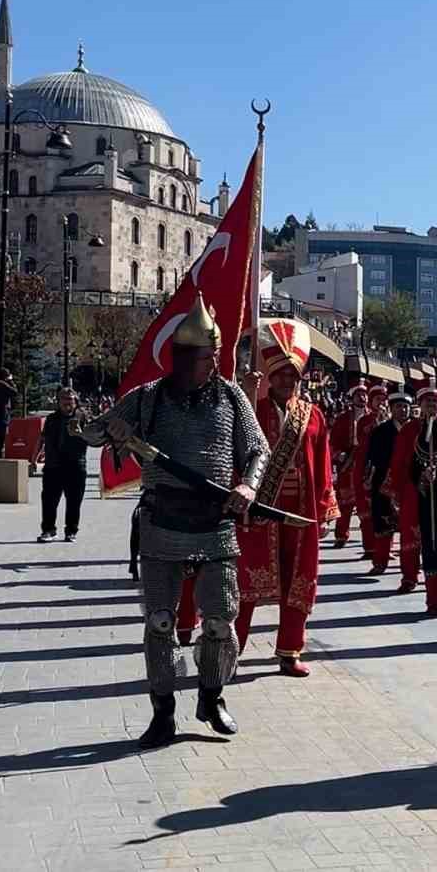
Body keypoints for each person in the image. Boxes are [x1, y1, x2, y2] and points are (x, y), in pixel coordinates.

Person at [82, 296, 269, 749]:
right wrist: (111, 430)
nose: (211, 365)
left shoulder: (231, 397)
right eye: (202, 357)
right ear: (181, 357)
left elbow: (258, 450)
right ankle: (162, 712)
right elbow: (89, 432)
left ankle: (211, 696)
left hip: (214, 521)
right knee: (161, 622)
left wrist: (248, 486)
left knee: (220, 620)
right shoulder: (148, 398)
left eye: (212, 356)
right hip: (162, 521)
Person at [234, 326, 338, 677]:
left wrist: (325, 511)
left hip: (301, 511)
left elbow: (323, 463)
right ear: (270, 378)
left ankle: (290, 650)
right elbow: (237, 456)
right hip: (259, 510)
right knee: (247, 582)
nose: (286, 381)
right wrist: (246, 394)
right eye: (280, 375)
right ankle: (229, 650)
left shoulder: (313, 415)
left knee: (299, 582)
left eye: (292, 375)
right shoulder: (253, 410)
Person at [390, 383, 437, 610]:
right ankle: (409, 576)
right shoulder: (409, 429)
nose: (431, 405)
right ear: (420, 404)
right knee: (411, 535)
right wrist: (399, 488)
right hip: (413, 490)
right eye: (427, 401)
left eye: (435, 401)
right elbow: (399, 461)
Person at [366, 388, 412, 578]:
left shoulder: (417, 429)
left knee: (411, 527)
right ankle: (380, 562)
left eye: (406, 406)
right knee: (383, 523)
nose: (403, 410)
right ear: (391, 409)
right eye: (399, 406)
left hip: (410, 483)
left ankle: (410, 567)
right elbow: (373, 456)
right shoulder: (380, 431)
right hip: (384, 481)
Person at [37, 388, 90, 543]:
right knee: (49, 501)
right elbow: (42, 439)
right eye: (64, 399)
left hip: (76, 465)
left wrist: (81, 433)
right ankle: (48, 530)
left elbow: (94, 438)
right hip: (53, 466)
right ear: (58, 401)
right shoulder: (51, 419)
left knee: (74, 501)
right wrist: (34, 459)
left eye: (70, 399)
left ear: (75, 401)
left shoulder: (83, 417)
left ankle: (71, 531)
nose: (67, 402)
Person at [328, 383, 366, 548]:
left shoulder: (373, 416)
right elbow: (332, 442)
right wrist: (338, 454)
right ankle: (341, 536)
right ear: (353, 398)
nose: (362, 398)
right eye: (359, 395)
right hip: (347, 464)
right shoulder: (343, 418)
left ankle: (369, 541)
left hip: (366, 464)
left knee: (366, 505)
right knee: (345, 503)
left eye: (364, 395)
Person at [352, 383, 388, 563]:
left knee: (385, 511)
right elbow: (362, 440)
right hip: (365, 467)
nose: (381, 402)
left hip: (384, 469)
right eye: (377, 399)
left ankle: (384, 548)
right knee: (366, 511)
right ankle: (369, 547)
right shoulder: (364, 421)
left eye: (383, 399)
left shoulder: (391, 419)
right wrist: (377, 425)